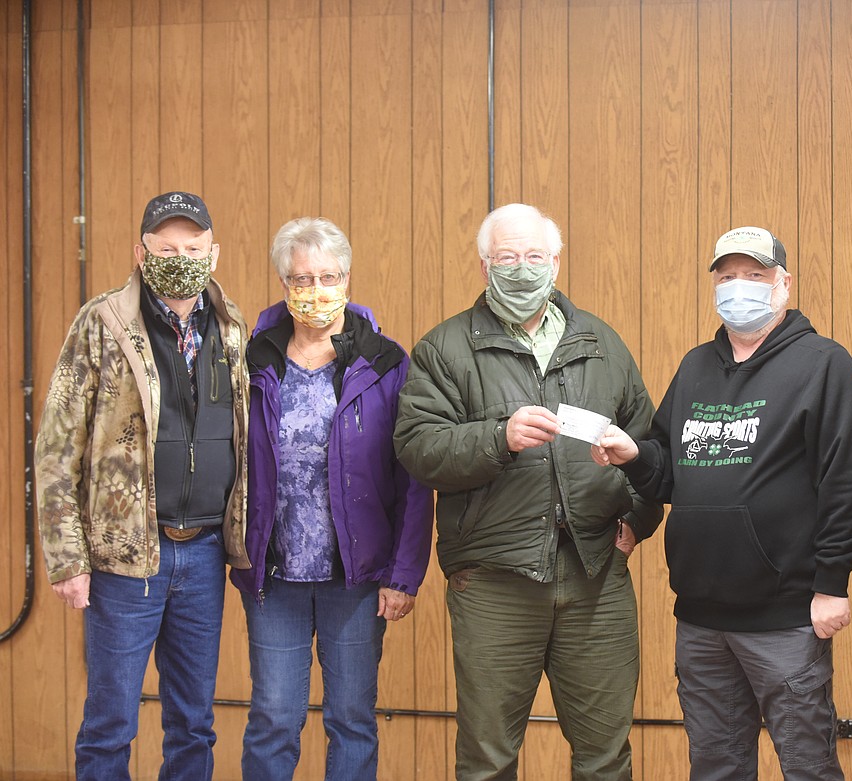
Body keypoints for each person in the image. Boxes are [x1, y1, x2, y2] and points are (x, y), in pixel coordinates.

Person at [591, 226, 852, 781]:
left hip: (788, 618)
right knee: (716, 768)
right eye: (728, 277)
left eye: (755, 275)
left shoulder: (823, 364)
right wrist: (633, 455)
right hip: (701, 620)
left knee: (808, 767)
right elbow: (666, 473)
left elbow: (847, 481)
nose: (739, 287)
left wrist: (833, 583)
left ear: (784, 285)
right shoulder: (696, 366)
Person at [393, 202, 662, 780]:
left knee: (606, 757)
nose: (522, 268)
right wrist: (498, 437)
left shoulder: (601, 342)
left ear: (556, 262)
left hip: (597, 576)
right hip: (494, 580)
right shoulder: (446, 348)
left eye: (534, 256)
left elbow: (648, 444)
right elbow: (417, 447)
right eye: (508, 257)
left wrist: (636, 523)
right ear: (485, 263)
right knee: (488, 759)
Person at [34, 191, 249, 781]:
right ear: (141, 252)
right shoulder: (102, 323)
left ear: (214, 254)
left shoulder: (231, 328)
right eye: (167, 247)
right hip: (125, 560)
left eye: (194, 248)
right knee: (111, 723)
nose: (181, 257)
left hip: (203, 554)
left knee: (193, 723)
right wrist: (66, 558)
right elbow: (55, 450)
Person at [229, 217, 433, 781]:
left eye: (328, 276)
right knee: (273, 717)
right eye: (301, 278)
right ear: (283, 283)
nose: (315, 290)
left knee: (351, 717)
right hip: (275, 574)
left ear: (347, 278)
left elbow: (413, 479)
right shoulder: (251, 360)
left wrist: (403, 575)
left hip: (358, 576)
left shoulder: (387, 363)